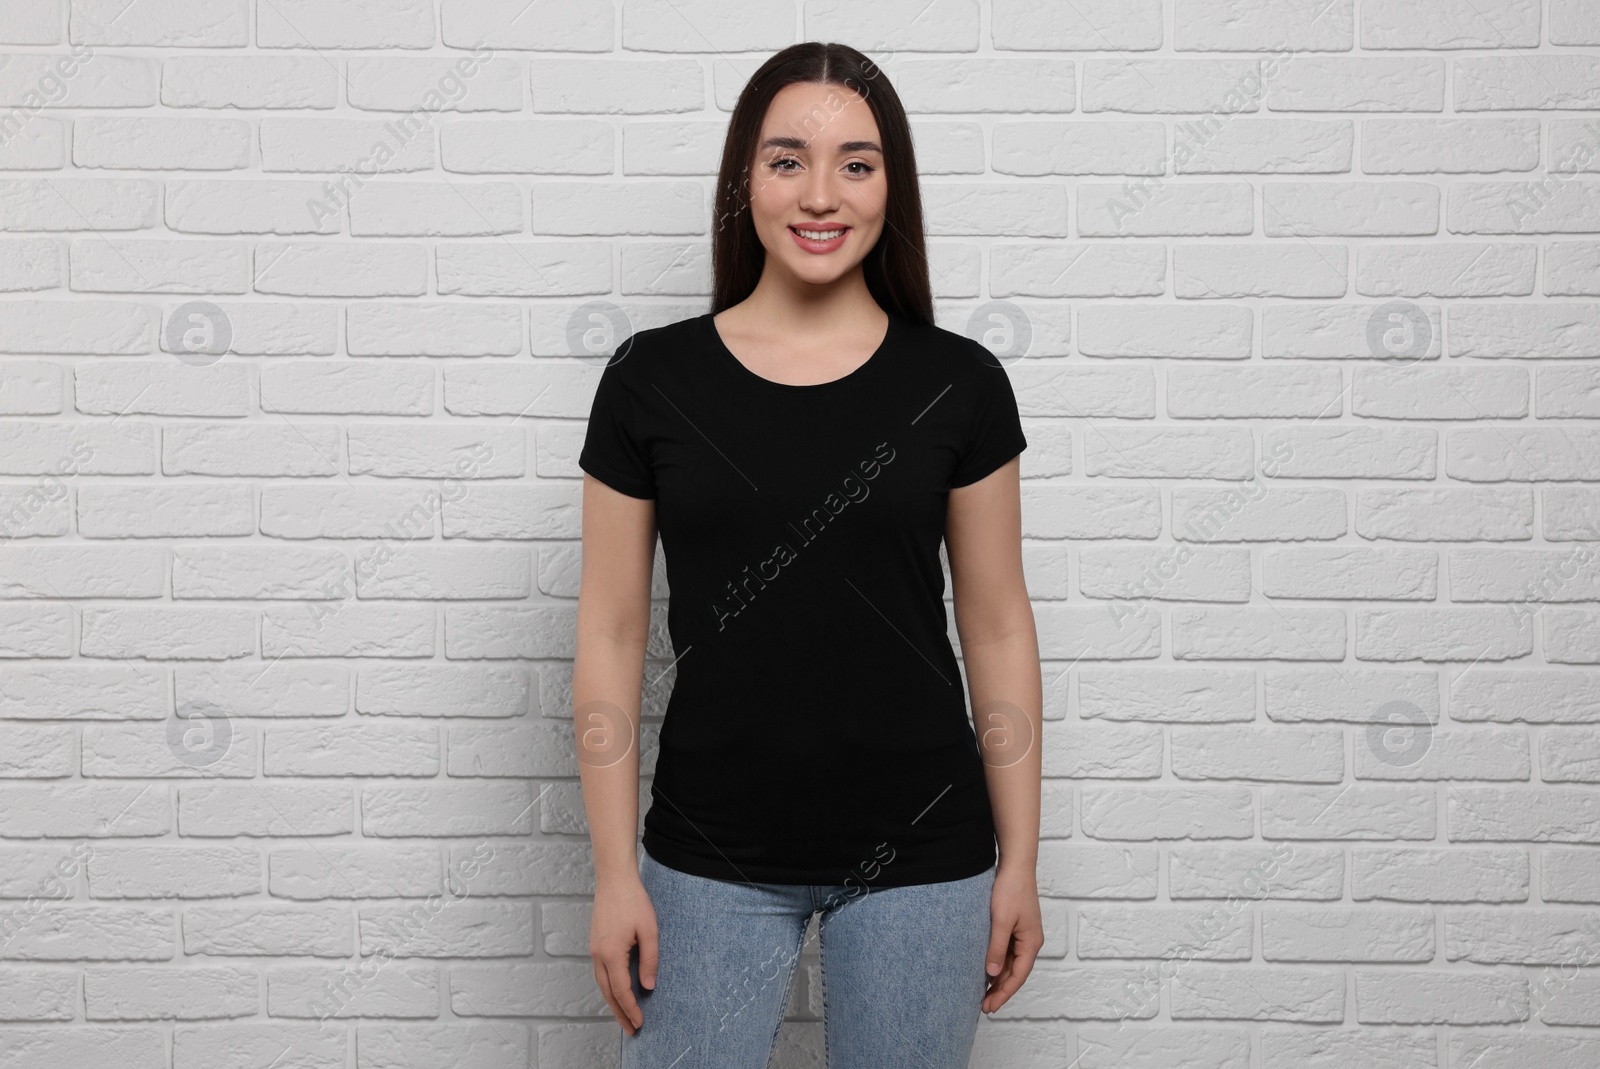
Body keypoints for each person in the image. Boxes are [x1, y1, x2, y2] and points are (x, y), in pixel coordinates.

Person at [573, 40, 1044, 1069]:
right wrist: (615, 873)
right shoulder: (651, 379)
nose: (821, 193)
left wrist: (1021, 862)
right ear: (746, 180)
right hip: (708, 859)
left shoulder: (959, 384)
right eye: (787, 160)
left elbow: (998, 622)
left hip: (925, 859)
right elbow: (607, 635)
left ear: (892, 187)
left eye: (857, 163)